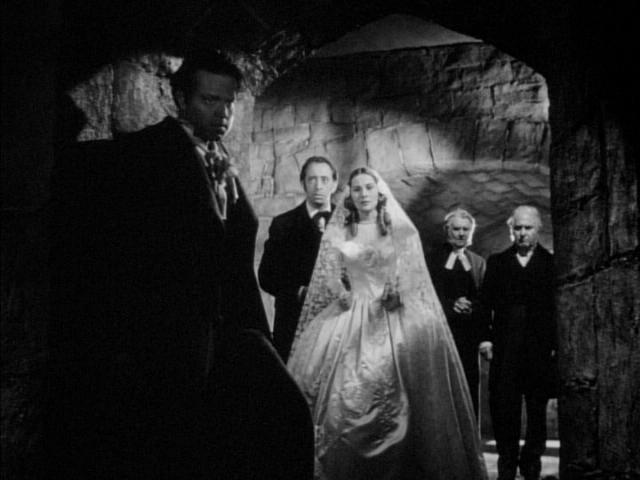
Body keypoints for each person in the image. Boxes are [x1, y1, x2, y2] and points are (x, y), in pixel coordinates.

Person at [49, 51, 313, 479]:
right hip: (173, 336)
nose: (223, 113)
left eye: (228, 102)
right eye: (210, 100)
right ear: (179, 99)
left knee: (286, 416)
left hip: (232, 326)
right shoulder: (148, 151)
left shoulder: (218, 153)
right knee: (183, 445)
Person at [287, 167, 488, 479]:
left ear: (379, 191)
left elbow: (413, 273)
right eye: (357, 189)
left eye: (368, 187)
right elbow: (329, 272)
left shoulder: (398, 229)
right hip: (351, 313)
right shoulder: (341, 230)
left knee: (400, 387)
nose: (363, 194)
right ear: (349, 194)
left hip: (392, 314)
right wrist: (341, 292)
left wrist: (397, 290)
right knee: (343, 392)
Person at [481, 205, 557, 480]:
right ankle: (507, 464)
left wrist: (556, 346)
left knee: (537, 409)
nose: (523, 233)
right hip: (506, 347)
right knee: (505, 409)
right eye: (518, 228)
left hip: (539, 348)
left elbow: (558, 308)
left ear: (539, 229)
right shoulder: (498, 262)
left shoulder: (551, 263)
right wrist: (486, 339)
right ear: (511, 230)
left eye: (528, 228)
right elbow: (485, 304)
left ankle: (531, 463)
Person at [259, 156, 338, 361]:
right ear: (303, 183)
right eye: (312, 179)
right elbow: (266, 276)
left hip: (339, 325)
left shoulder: (349, 221)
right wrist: (299, 291)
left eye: (324, 179)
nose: (318, 186)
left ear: (335, 183)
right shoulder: (283, 224)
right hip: (293, 325)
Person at [428, 208, 489, 416]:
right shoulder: (432, 260)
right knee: (442, 386)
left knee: (469, 385)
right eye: (456, 229)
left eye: (465, 229)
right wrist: (451, 305)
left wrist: (470, 306)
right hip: (440, 333)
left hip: (469, 335)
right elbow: (425, 295)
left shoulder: (478, 262)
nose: (461, 234)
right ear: (447, 230)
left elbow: (485, 299)